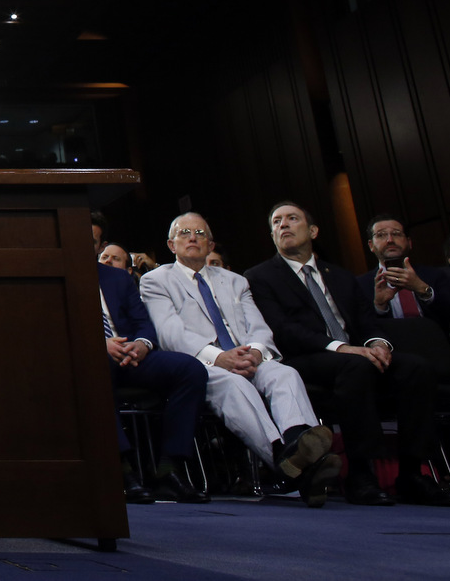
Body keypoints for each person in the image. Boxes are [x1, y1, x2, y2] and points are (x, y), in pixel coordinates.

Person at [244, 202, 450, 506]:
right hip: (306, 359)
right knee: (354, 367)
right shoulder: (259, 276)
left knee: (416, 368)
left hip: (355, 356)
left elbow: (366, 321)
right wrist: (342, 348)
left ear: (313, 231)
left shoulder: (341, 276)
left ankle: (413, 473)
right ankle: (361, 474)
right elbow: (282, 329)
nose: (284, 225)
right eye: (277, 222)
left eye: (292, 219)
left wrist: (378, 343)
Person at [140, 212, 340, 507]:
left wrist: (257, 352)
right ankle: (286, 460)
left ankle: (298, 443)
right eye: (184, 233)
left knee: (285, 374)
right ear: (171, 245)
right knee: (235, 386)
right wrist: (221, 357)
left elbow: (258, 326)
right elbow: (171, 334)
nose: (192, 237)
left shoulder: (236, 282)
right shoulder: (155, 281)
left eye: (200, 233)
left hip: (247, 357)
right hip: (203, 364)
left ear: (211, 245)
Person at [92, 246, 209, 504]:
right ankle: (121, 470)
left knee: (190, 370)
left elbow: (142, 322)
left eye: (93, 240)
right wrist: (99, 344)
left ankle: (169, 470)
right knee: (93, 369)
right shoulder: (54, 274)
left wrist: (142, 344)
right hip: (91, 360)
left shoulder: (118, 278)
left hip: (131, 355)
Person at [355, 214, 450, 329]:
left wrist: (424, 291)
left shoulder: (435, 275)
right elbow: (361, 329)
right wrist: (380, 306)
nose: (390, 240)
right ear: (371, 245)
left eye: (396, 234)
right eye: (381, 235)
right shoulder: (360, 285)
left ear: (409, 242)